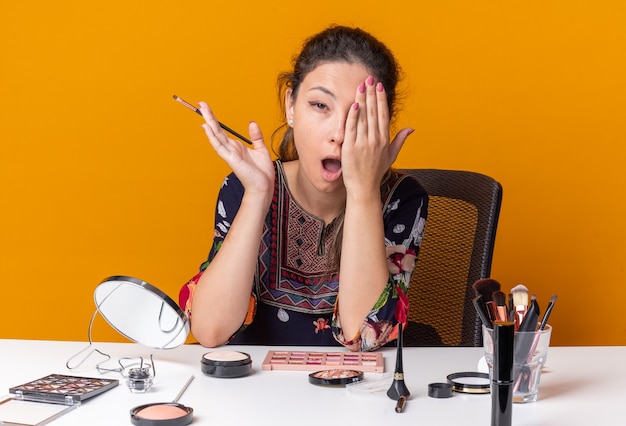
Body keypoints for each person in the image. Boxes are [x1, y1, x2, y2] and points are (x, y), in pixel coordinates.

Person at [179, 25, 428, 351]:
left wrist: (364, 193)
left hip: (356, 394)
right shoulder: (244, 188)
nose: (339, 133)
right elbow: (210, 331)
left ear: (382, 126)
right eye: (320, 106)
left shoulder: (403, 199)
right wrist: (256, 196)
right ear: (291, 105)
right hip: (254, 392)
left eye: (360, 115)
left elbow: (363, 338)